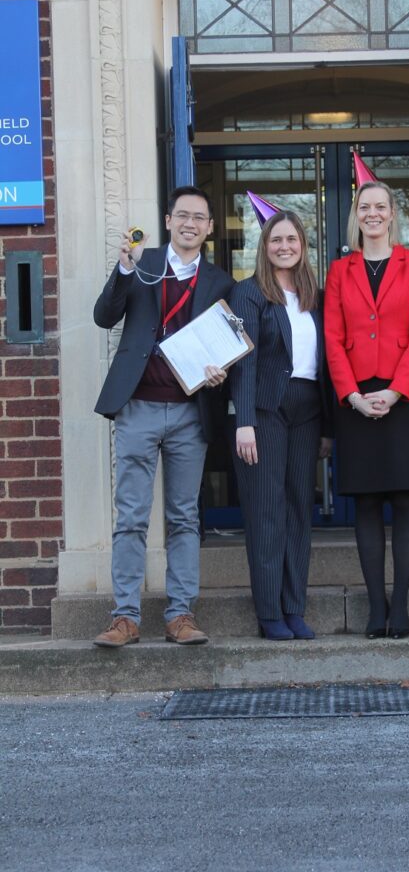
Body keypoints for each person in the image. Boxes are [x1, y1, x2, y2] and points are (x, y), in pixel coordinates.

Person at [92, 186, 234, 647]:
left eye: (199, 218)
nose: (190, 224)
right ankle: (125, 617)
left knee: (184, 517)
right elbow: (104, 316)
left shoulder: (220, 282)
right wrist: (122, 270)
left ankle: (180, 615)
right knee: (131, 516)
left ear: (209, 228)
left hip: (191, 411)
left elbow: (225, 347)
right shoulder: (142, 263)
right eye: (182, 215)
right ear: (168, 220)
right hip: (137, 407)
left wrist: (220, 373)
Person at [324, 181, 409, 639]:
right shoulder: (339, 271)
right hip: (355, 398)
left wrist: (395, 391)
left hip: (403, 396)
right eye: (364, 207)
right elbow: (332, 338)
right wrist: (352, 395)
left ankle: (401, 605)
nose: (372, 214)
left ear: (392, 214)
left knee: (406, 500)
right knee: (367, 502)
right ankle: (375, 605)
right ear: (357, 214)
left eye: (380, 207)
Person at [229, 210, 333, 641]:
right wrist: (244, 421)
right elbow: (244, 361)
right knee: (266, 511)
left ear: (303, 246)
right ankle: (270, 611)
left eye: (291, 239)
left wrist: (328, 428)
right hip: (265, 411)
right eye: (276, 240)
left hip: (307, 411)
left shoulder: (315, 296)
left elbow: (326, 364)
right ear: (265, 246)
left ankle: (294, 608)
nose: (284, 246)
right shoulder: (249, 293)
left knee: (298, 510)